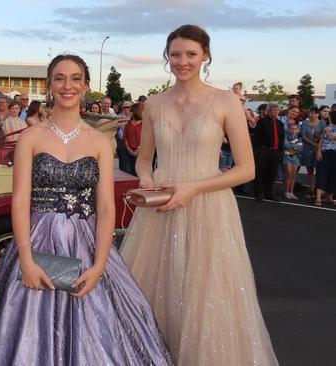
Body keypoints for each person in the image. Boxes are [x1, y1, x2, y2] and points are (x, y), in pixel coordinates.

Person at [0, 54, 171, 366]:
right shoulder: (32, 136)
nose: (67, 85)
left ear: (86, 86)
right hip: (36, 240)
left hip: (86, 243)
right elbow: (21, 200)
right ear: (49, 85)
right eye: (59, 78)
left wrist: (100, 264)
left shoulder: (100, 142)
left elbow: (104, 206)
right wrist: (26, 258)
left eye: (76, 78)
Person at [119, 25, 278, 365]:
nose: (182, 61)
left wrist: (193, 188)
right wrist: (147, 179)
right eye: (175, 54)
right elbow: (144, 160)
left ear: (206, 55)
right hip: (160, 209)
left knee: (204, 299)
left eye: (191, 54)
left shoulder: (225, 101)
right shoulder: (156, 104)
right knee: (152, 296)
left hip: (208, 206)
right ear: (167, 57)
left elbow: (246, 169)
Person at [253, 103, 285, 201]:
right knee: (260, 172)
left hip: (275, 152)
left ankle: (269, 193)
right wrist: (257, 151)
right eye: (274, 110)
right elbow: (257, 137)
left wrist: (280, 152)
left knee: (272, 173)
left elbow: (281, 138)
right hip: (263, 150)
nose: (276, 111)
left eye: (277, 110)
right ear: (269, 111)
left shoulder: (280, 124)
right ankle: (259, 193)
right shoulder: (262, 122)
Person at [300, 107, 326, 197]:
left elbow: (324, 136)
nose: (312, 114)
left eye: (315, 113)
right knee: (309, 170)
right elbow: (303, 136)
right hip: (307, 149)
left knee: (319, 170)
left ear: (318, 114)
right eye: (311, 113)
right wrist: (313, 144)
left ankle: (319, 189)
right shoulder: (304, 123)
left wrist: (318, 145)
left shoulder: (322, 123)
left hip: (319, 150)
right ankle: (311, 189)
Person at [315, 117, 336, 206]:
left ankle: (329, 198)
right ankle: (318, 198)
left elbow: (333, 138)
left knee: (333, 175)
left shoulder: (327, 129)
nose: (329, 118)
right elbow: (321, 141)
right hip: (325, 153)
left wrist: (327, 132)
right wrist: (319, 151)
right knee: (322, 174)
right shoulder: (327, 127)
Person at [283, 123, 302, 199]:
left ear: (297, 130)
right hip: (287, 157)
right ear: (288, 129)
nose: (293, 130)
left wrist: (290, 147)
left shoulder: (299, 138)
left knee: (294, 176)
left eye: (295, 129)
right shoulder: (285, 136)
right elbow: (285, 146)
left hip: (296, 158)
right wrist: (294, 147)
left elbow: (300, 149)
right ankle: (286, 192)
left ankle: (291, 193)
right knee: (289, 175)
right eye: (291, 128)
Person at [123, 103, 143, 175]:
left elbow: (145, 138)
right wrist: (129, 150)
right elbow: (125, 137)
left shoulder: (143, 123)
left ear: (135, 112)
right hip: (129, 152)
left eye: (131, 110)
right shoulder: (128, 123)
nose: (129, 112)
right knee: (131, 172)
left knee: (139, 172)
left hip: (141, 152)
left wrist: (138, 150)